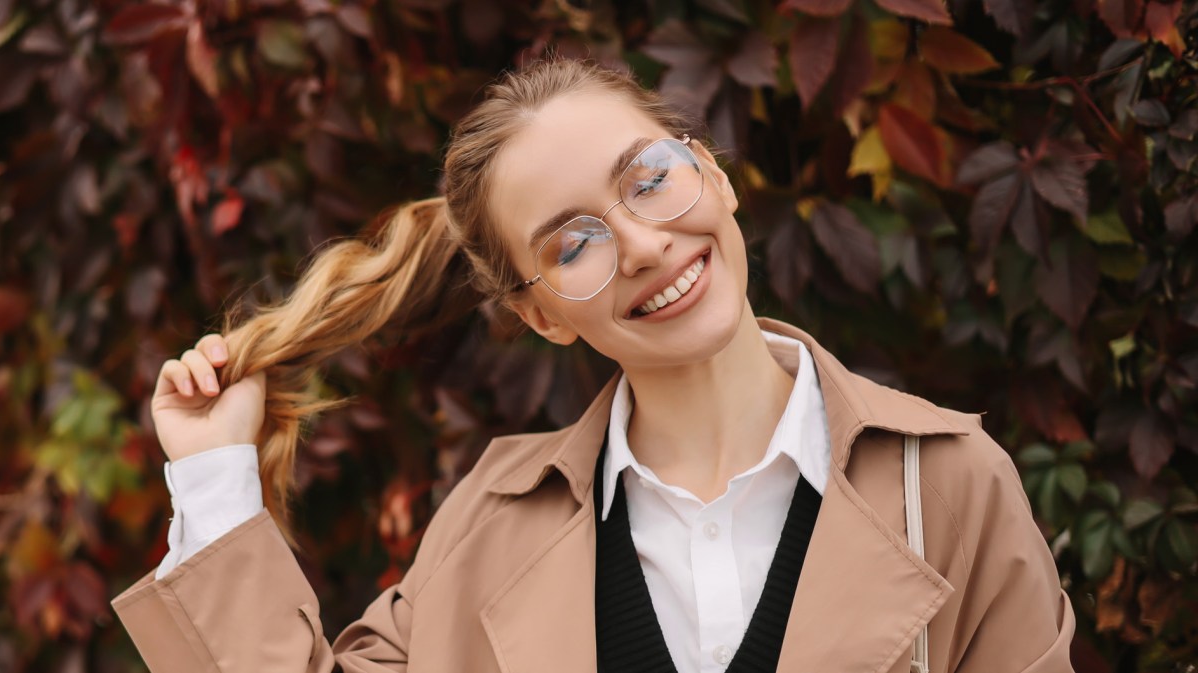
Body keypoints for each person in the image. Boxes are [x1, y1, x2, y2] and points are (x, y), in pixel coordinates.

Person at [111, 59, 1076, 673]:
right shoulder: (488, 528)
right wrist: (214, 477)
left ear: (717, 175)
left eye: (649, 179)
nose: (645, 244)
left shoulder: (945, 486)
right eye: (573, 243)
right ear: (539, 313)